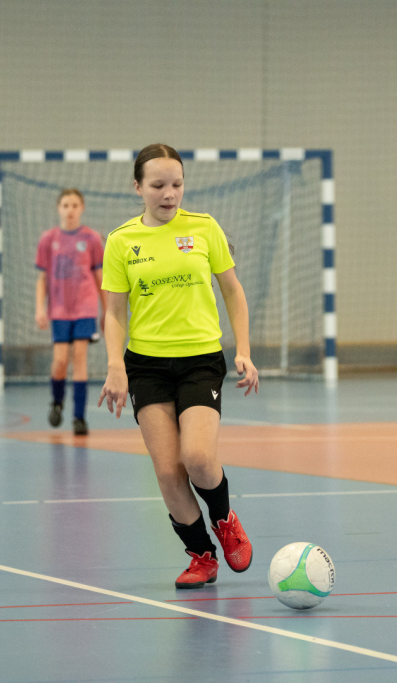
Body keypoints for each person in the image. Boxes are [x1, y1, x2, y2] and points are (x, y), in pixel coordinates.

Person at [98, 143, 260, 589]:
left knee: (199, 459)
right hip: (146, 367)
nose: (169, 194)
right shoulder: (121, 241)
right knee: (169, 472)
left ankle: (224, 519)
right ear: (137, 187)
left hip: (200, 361)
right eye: (158, 185)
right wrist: (115, 366)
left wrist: (243, 350)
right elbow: (114, 311)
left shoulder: (204, 229)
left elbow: (232, 290)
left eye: (177, 184)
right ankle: (201, 556)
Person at [35, 189, 106, 436]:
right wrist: (40, 308)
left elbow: (99, 276)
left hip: (85, 308)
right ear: (59, 208)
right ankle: (57, 402)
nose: (70, 210)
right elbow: (42, 278)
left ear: (82, 208)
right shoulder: (49, 239)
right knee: (60, 361)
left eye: (75, 205)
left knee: (80, 359)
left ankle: (79, 418)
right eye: (65, 205)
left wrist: (106, 310)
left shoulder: (91, 239)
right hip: (59, 309)